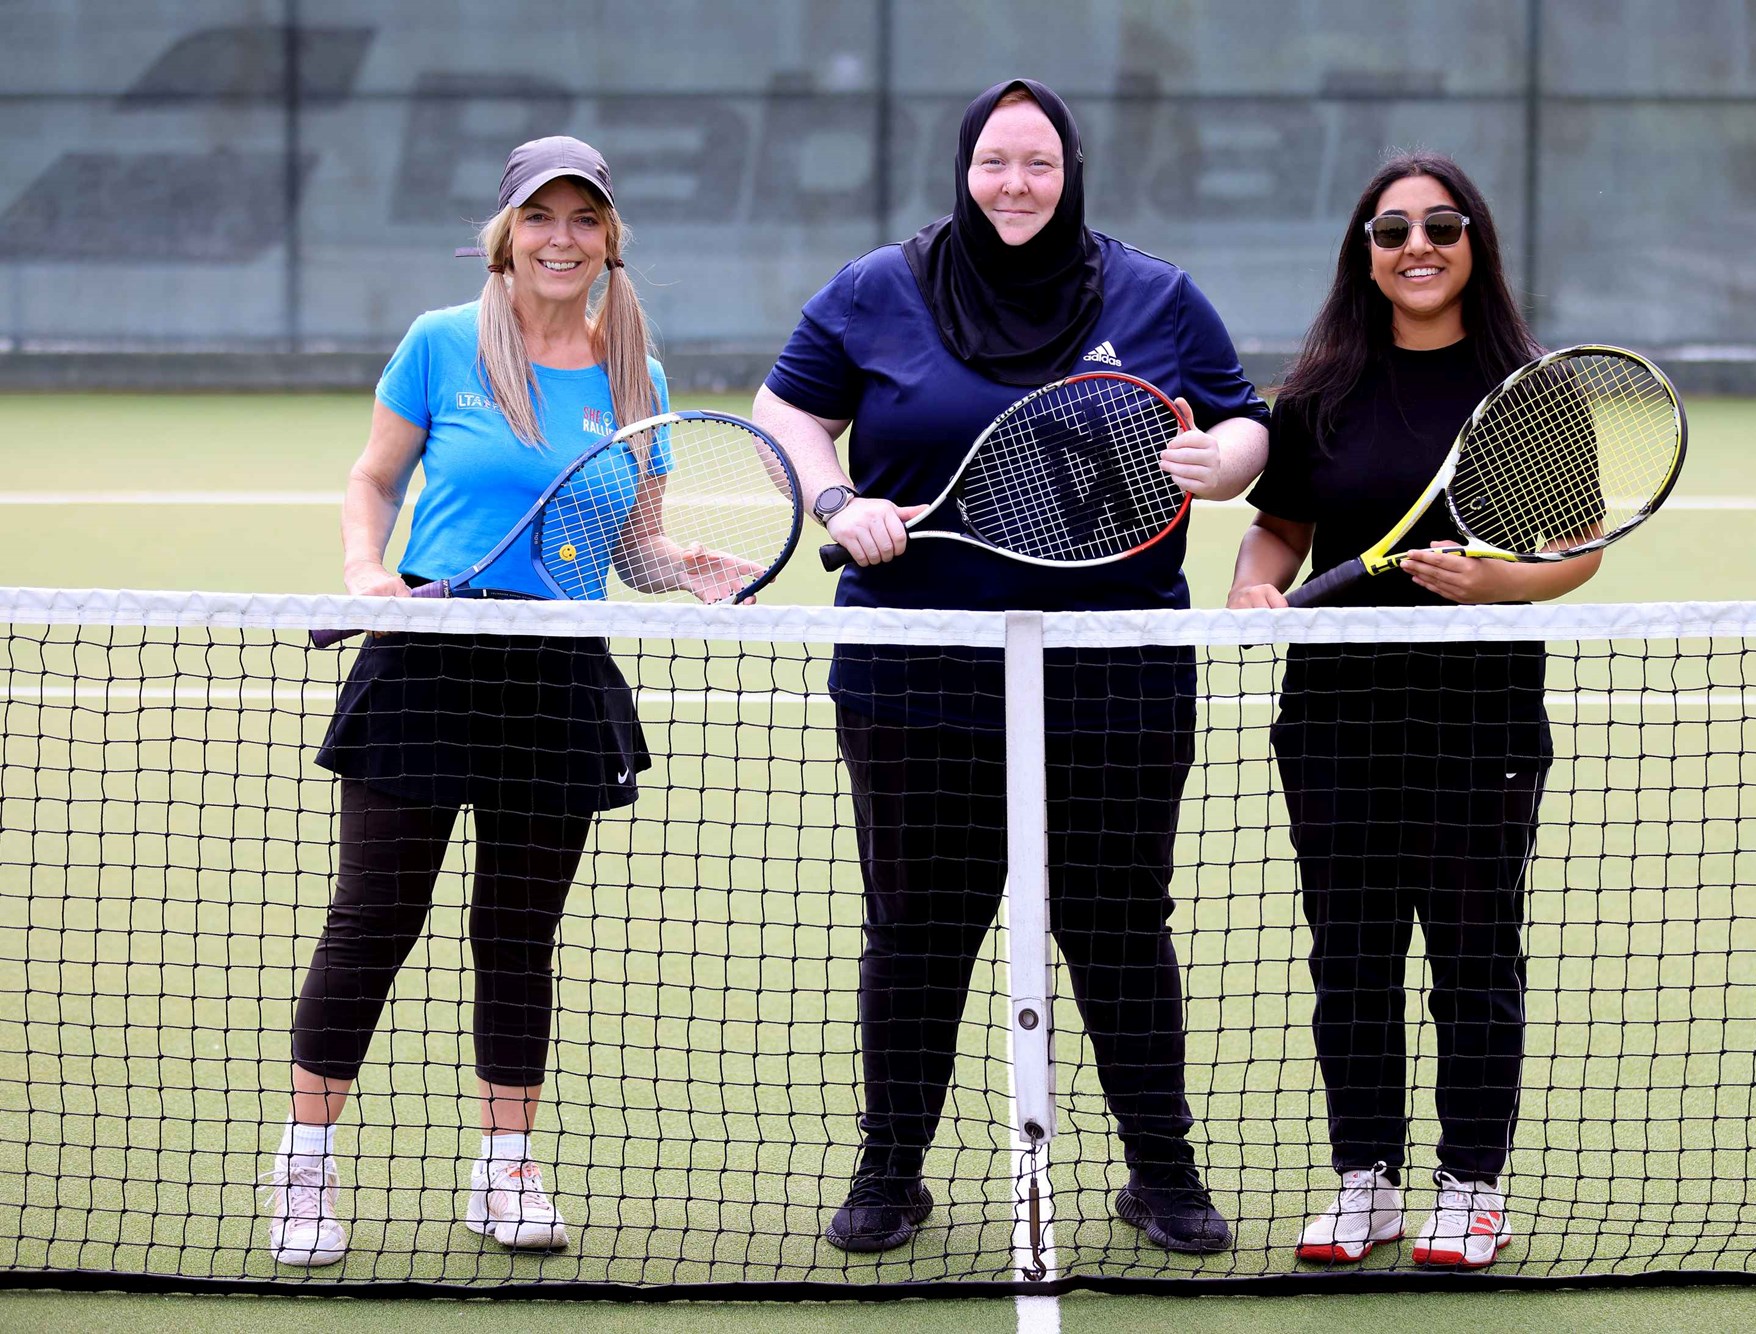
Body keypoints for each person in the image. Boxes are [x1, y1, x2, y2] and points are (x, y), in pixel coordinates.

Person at [753, 79, 1269, 1255]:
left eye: (1037, 162)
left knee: (1118, 924)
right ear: (964, 167)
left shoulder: (1154, 295)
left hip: (1115, 672)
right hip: (914, 676)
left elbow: (1244, 424)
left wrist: (1217, 457)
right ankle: (889, 1173)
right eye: (994, 160)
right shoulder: (876, 287)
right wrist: (837, 495)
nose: (1015, 184)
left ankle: (1162, 1174)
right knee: (918, 928)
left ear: (1072, 168)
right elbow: (786, 408)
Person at [263, 135, 713, 1267]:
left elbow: (635, 546)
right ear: (505, 234)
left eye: (582, 218)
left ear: (610, 237)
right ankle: (304, 1168)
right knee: (372, 922)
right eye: (539, 218)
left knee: (518, 934)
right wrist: (370, 572)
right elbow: (374, 478)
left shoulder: (636, 379)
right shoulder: (439, 343)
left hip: (558, 676)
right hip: (428, 661)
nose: (559, 238)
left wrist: (682, 564)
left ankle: (506, 1170)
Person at [1228, 150, 1601, 1270]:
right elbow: (1281, 529)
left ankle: (1468, 1186)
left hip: (1478, 721)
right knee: (1349, 957)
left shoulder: (1528, 390)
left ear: (1472, 242)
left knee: (1473, 958)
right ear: (1364, 255)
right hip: (1335, 719)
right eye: (1391, 232)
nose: (1417, 247)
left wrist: (1499, 583)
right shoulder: (1316, 392)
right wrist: (1253, 581)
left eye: (1440, 225)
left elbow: (1572, 551)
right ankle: (1363, 1181)